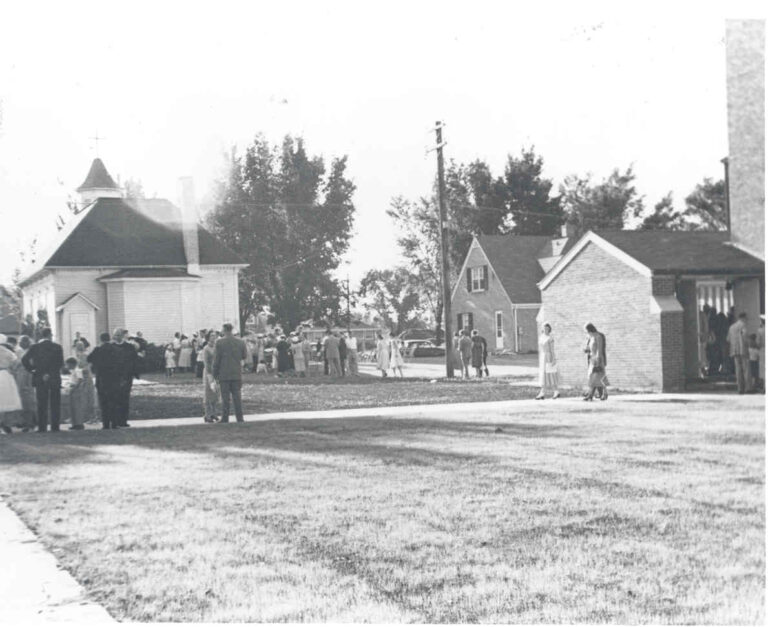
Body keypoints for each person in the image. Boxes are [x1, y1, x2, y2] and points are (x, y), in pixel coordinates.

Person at [21, 327, 64, 432]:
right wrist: (50, 373)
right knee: (55, 402)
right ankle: (55, 426)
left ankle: (42, 426)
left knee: (41, 403)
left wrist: (32, 370)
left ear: (41, 335)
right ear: (50, 335)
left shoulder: (35, 347)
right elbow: (60, 363)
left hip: (39, 376)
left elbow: (24, 359)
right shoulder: (57, 347)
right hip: (54, 377)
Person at [213, 323, 248, 423]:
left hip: (224, 373)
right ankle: (239, 418)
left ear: (224, 330)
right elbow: (244, 355)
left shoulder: (219, 342)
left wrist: (215, 373)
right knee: (237, 397)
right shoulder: (240, 342)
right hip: (236, 372)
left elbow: (217, 359)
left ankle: (225, 417)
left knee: (225, 398)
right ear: (232, 329)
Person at [87, 332, 120, 429]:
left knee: (104, 402)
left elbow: (89, 359)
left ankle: (106, 424)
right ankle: (114, 423)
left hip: (102, 378)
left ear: (101, 339)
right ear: (109, 338)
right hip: (114, 378)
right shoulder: (115, 349)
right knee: (113, 401)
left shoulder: (98, 349)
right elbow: (120, 362)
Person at [113, 328, 140, 427]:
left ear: (122, 336)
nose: (117, 337)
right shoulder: (111, 347)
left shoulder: (129, 347)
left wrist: (134, 373)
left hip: (127, 376)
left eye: (119, 335)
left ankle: (123, 420)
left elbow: (134, 361)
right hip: (115, 377)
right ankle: (115, 420)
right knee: (115, 398)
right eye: (115, 335)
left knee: (124, 398)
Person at [12, 335, 36, 431]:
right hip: (21, 375)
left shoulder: (29, 351)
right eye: (21, 341)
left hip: (26, 375)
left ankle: (29, 422)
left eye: (25, 341)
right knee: (22, 398)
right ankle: (24, 421)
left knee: (28, 399)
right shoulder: (18, 351)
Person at [0, 336, 23, 434]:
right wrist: (12, 369)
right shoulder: (7, 352)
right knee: (7, 399)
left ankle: (3, 423)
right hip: (6, 374)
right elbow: (18, 362)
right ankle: (5, 423)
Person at [583, 323, 608, 401]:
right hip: (592, 359)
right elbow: (591, 348)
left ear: (590, 330)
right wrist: (587, 350)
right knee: (592, 377)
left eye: (586, 331)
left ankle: (605, 393)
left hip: (598, 359)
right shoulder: (591, 337)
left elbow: (599, 349)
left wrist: (598, 360)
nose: (586, 333)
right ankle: (590, 395)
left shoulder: (598, 337)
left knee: (601, 378)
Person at [74, 340, 96, 424]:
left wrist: (81, 369)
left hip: (86, 377)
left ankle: (91, 417)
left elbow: (88, 366)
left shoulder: (85, 355)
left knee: (88, 397)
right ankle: (84, 416)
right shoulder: (79, 355)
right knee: (83, 398)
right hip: (81, 377)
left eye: (79, 346)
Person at [727, 312, 750, 394]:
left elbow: (728, 339)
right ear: (743, 318)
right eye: (746, 318)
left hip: (734, 350)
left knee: (738, 370)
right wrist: (748, 345)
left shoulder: (731, 327)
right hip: (743, 349)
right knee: (746, 369)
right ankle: (747, 388)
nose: (747, 320)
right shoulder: (743, 325)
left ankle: (740, 388)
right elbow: (745, 337)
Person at [535, 323, 560, 400]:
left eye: (547, 328)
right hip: (543, 357)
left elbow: (552, 350)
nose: (546, 330)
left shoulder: (550, 338)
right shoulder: (541, 337)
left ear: (549, 329)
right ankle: (542, 392)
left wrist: (553, 359)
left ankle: (556, 391)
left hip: (549, 357)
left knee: (550, 374)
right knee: (543, 375)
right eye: (544, 328)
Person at [62, 356, 86, 430]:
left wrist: (75, 388)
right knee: (73, 408)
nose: (67, 366)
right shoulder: (73, 371)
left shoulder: (77, 370)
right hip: (73, 390)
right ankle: (75, 423)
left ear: (72, 364)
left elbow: (80, 380)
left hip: (76, 391)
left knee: (77, 408)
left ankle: (79, 424)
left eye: (67, 364)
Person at [201, 330, 220, 423]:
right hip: (209, 372)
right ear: (208, 337)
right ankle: (207, 414)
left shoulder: (217, 347)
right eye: (212, 335)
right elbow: (206, 362)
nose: (214, 337)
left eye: (215, 335)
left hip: (216, 372)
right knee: (208, 392)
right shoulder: (206, 348)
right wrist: (209, 373)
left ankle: (214, 413)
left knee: (215, 393)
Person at [758, 315, 765, 391]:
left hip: (763, 349)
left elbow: (758, 342)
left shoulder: (760, 330)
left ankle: (764, 387)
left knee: (763, 368)